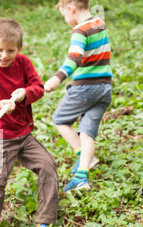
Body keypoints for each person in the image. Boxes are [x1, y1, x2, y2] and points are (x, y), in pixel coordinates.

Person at [0, 18, 59, 227]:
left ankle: (44, 221)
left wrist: (25, 93)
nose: (4, 55)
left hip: (23, 135)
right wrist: (0, 104)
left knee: (48, 166)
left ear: (19, 49)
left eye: (10, 51)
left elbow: (39, 88)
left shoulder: (24, 63)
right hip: (0, 136)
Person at [44, 0, 112, 192]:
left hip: (85, 88)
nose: (66, 19)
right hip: (105, 88)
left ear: (71, 9)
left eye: (64, 15)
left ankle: (82, 155)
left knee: (59, 119)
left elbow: (75, 58)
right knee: (87, 131)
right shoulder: (99, 22)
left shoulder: (80, 31)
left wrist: (57, 78)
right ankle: (82, 176)